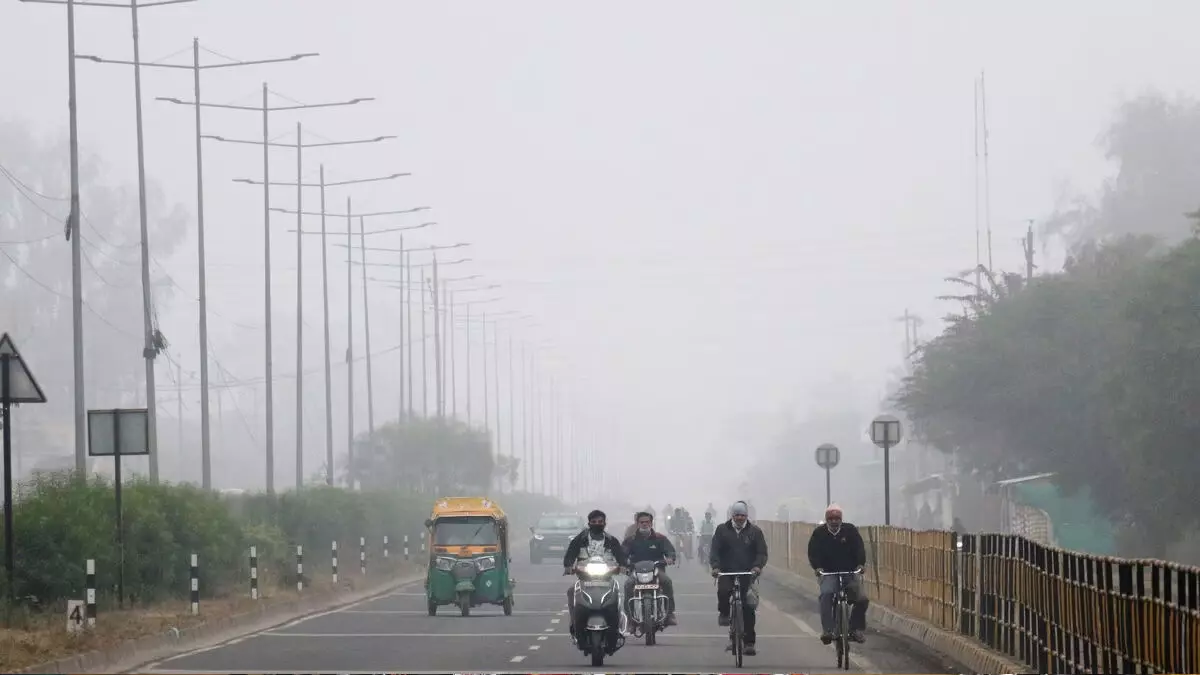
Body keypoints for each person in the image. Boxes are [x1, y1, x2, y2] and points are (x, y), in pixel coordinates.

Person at [710, 500, 768, 656]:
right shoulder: (722, 530)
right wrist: (715, 567)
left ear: (746, 516)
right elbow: (715, 550)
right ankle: (724, 614)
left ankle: (749, 642)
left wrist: (757, 566)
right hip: (726, 572)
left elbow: (761, 552)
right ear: (732, 515)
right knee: (723, 591)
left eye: (743, 515)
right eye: (737, 515)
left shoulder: (755, 532)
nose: (740, 518)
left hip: (747, 574)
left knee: (748, 607)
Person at [563, 509, 629, 646]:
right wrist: (569, 566)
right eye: (594, 522)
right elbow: (570, 554)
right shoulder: (580, 539)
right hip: (585, 579)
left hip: (607, 579)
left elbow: (621, 556)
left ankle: (618, 627)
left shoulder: (611, 540)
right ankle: (574, 623)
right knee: (571, 591)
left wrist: (623, 565)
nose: (597, 524)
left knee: (618, 593)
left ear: (605, 523)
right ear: (589, 523)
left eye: (600, 522)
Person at [808, 503, 868, 644]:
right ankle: (827, 630)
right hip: (828, 573)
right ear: (827, 520)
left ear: (841, 519)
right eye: (831, 519)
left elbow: (859, 548)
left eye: (837, 518)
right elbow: (813, 553)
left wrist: (860, 564)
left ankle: (855, 629)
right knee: (826, 595)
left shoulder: (850, 530)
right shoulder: (819, 533)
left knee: (861, 599)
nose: (834, 521)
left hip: (849, 572)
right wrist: (817, 567)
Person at [621, 511, 678, 626]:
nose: (644, 524)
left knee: (667, 581)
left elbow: (670, 551)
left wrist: (670, 558)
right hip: (636, 571)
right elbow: (622, 554)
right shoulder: (630, 540)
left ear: (651, 523)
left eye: (647, 522)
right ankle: (630, 619)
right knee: (628, 585)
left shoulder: (660, 538)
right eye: (642, 522)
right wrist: (623, 563)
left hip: (657, 570)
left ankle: (670, 614)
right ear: (637, 524)